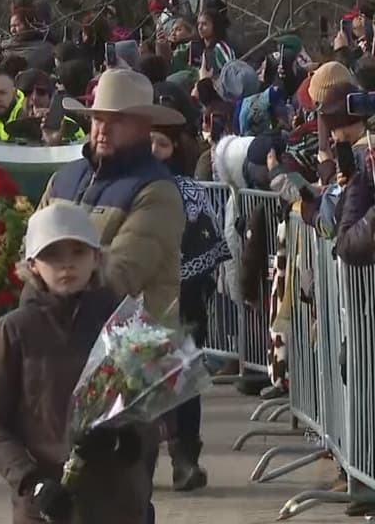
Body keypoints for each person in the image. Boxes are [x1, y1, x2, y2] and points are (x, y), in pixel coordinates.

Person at [0, 202, 154, 524]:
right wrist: (31, 481)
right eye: (53, 255)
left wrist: (128, 439)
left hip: (118, 501)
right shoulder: (13, 332)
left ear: (97, 258)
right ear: (32, 265)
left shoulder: (124, 324)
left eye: (78, 253)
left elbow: (154, 402)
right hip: (47, 506)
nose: (66, 265)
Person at [42, 68, 186, 319]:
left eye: (117, 121)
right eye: (97, 118)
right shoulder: (64, 178)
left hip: (134, 349)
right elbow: (30, 247)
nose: (103, 130)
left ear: (143, 127)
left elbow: (120, 275)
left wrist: (45, 288)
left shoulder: (158, 190)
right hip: (59, 333)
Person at [149, 102, 229, 492]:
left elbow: (209, 246)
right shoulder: (121, 187)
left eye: (160, 145)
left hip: (184, 301)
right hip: (132, 301)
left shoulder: (188, 192)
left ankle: (185, 458)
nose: (152, 152)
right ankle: (135, 461)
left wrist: (189, 287)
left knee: (184, 379)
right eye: (145, 143)